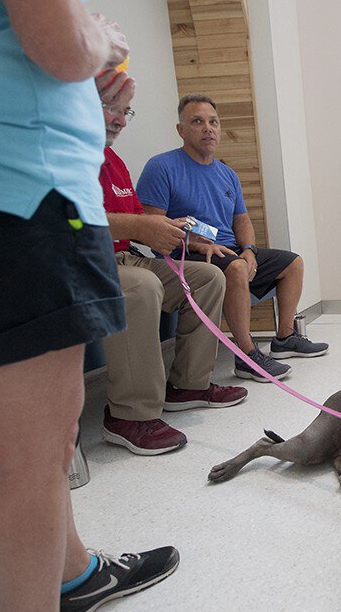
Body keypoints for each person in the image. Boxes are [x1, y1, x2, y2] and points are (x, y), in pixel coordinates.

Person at [0, 0, 178, 609]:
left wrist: (80, 97)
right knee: (28, 461)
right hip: (17, 195)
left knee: (49, 438)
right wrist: (100, 39)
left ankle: (74, 573)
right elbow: (63, 47)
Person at [96, 71, 247, 455]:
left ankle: (189, 385)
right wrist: (142, 226)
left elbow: (139, 223)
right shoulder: (66, 158)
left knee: (208, 277)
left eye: (126, 112)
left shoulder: (113, 160)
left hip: (127, 255)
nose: (119, 120)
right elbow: (71, 222)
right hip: (86, 261)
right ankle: (128, 415)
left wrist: (184, 236)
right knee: (141, 286)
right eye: (110, 108)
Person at [136, 94, 328, 383]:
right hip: (185, 254)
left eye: (213, 122)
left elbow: (241, 220)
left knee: (293, 263)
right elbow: (151, 228)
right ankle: (246, 355)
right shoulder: (161, 167)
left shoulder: (227, 174)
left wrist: (249, 249)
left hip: (229, 250)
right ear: (181, 130)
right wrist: (196, 244)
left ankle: (285, 337)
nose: (207, 128)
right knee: (236, 267)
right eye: (197, 121)